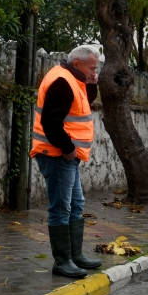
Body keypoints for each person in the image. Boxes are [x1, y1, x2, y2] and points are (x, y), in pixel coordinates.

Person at [29, 45, 102, 278]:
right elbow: (51, 122)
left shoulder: (71, 77)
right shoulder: (61, 81)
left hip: (66, 156)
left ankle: (75, 256)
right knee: (61, 208)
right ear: (78, 63)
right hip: (57, 155)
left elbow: (82, 103)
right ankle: (62, 261)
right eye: (92, 68)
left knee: (76, 204)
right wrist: (68, 148)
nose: (95, 71)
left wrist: (92, 83)